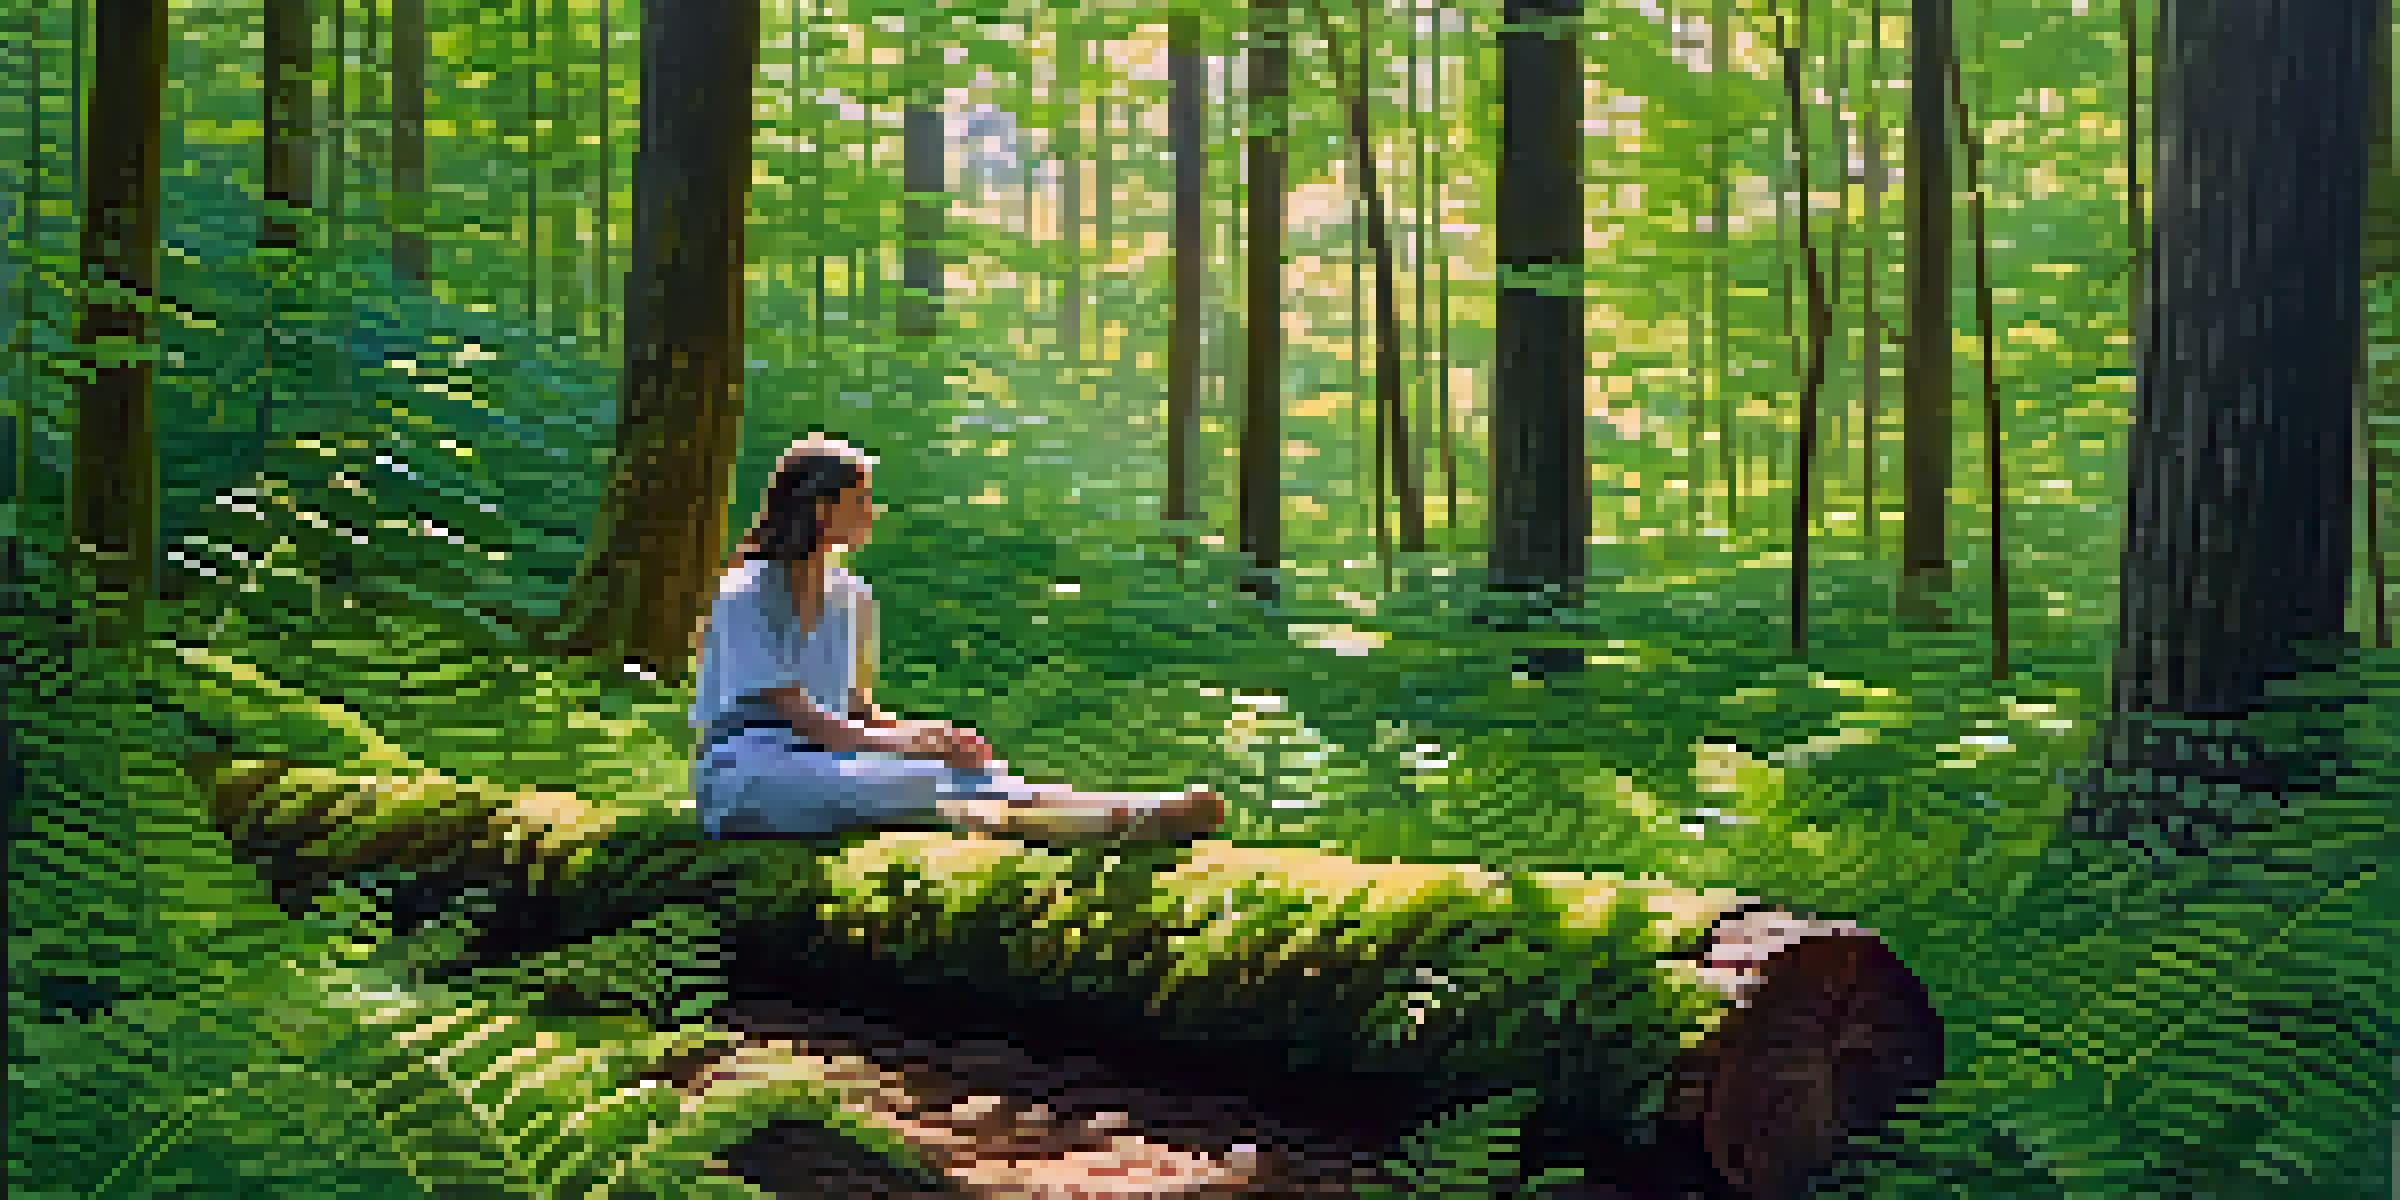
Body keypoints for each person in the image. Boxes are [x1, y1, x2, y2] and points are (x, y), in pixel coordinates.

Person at [688, 435, 1225, 842]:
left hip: (829, 758)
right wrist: (907, 745)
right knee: (920, 781)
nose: (873, 512)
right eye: (861, 499)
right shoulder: (747, 589)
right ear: (822, 509)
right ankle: (1123, 820)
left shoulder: (851, 594)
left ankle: (1136, 810)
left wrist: (934, 734)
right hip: (750, 770)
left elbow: (856, 711)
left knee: (966, 768)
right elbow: (795, 713)